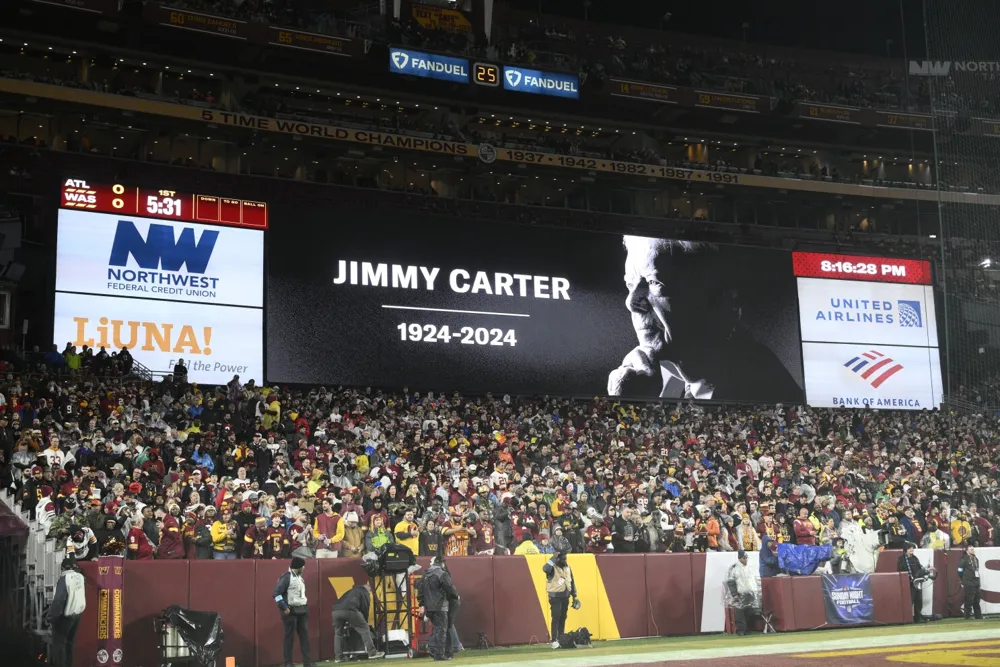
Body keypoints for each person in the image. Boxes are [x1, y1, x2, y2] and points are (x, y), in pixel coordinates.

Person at [606, 235, 800, 402]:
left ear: (723, 297)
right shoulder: (653, 380)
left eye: (654, 282)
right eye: (630, 284)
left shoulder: (765, 387)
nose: (631, 302)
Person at [417, 556, 459, 661]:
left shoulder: (425, 575)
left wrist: (422, 604)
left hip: (429, 607)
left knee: (437, 629)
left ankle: (432, 649)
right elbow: (450, 589)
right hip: (440, 607)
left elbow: (420, 591)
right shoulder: (442, 574)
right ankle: (438, 654)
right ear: (441, 563)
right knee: (441, 631)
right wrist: (455, 596)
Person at [274, 557, 314, 667]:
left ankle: (308, 662)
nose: (304, 568)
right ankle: (288, 663)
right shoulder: (287, 577)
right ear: (299, 567)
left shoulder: (299, 577)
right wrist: (284, 607)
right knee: (289, 638)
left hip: (302, 609)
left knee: (304, 637)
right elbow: (276, 594)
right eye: (303, 566)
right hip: (290, 611)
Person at [331, 581, 384, 662]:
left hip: (335, 611)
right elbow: (365, 608)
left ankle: (338, 657)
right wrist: (364, 622)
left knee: (338, 634)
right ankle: (372, 653)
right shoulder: (365, 592)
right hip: (350, 609)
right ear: (369, 588)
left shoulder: (352, 590)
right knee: (365, 629)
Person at [48, 558, 86, 667]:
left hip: (65, 617)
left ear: (63, 568)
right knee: (69, 644)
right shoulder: (81, 577)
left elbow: (59, 600)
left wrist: (51, 618)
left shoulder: (64, 578)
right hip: (77, 616)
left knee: (59, 647)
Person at [542, 551, 578, 649]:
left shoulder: (568, 567)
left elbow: (572, 581)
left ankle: (561, 638)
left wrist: (575, 596)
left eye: (565, 558)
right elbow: (545, 568)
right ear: (557, 559)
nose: (564, 560)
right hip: (555, 596)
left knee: (563, 617)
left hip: (565, 596)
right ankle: (554, 640)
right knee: (556, 617)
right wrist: (553, 558)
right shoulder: (552, 567)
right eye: (562, 559)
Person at [725, 551, 761, 635]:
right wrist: (734, 594)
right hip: (740, 593)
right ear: (740, 558)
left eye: (746, 558)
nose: (746, 560)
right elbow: (730, 582)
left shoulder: (749, 568)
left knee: (749, 612)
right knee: (740, 613)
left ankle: (748, 629)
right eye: (744, 558)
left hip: (750, 593)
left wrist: (755, 591)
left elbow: (753, 580)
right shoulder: (734, 568)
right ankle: (741, 630)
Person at [897, 543, 928, 623]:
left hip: (917, 582)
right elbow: (900, 571)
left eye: (912, 548)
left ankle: (918, 618)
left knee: (919, 600)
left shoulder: (915, 558)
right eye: (909, 548)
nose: (911, 550)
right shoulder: (901, 559)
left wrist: (924, 573)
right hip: (908, 583)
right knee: (909, 601)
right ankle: (907, 618)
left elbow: (920, 568)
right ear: (905, 550)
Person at [956, 545, 982, 620]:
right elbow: (959, 570)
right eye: (971, 550)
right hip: (968, 582)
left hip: (976, 582)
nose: (973, 551)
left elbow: (976, 570)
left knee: (977, 600)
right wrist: (963, 579)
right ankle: (967, 616)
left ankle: (978, 616)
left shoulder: (976, 559)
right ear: (967, 551)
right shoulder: (964, 559)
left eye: (973, 549)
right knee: (969, 600)